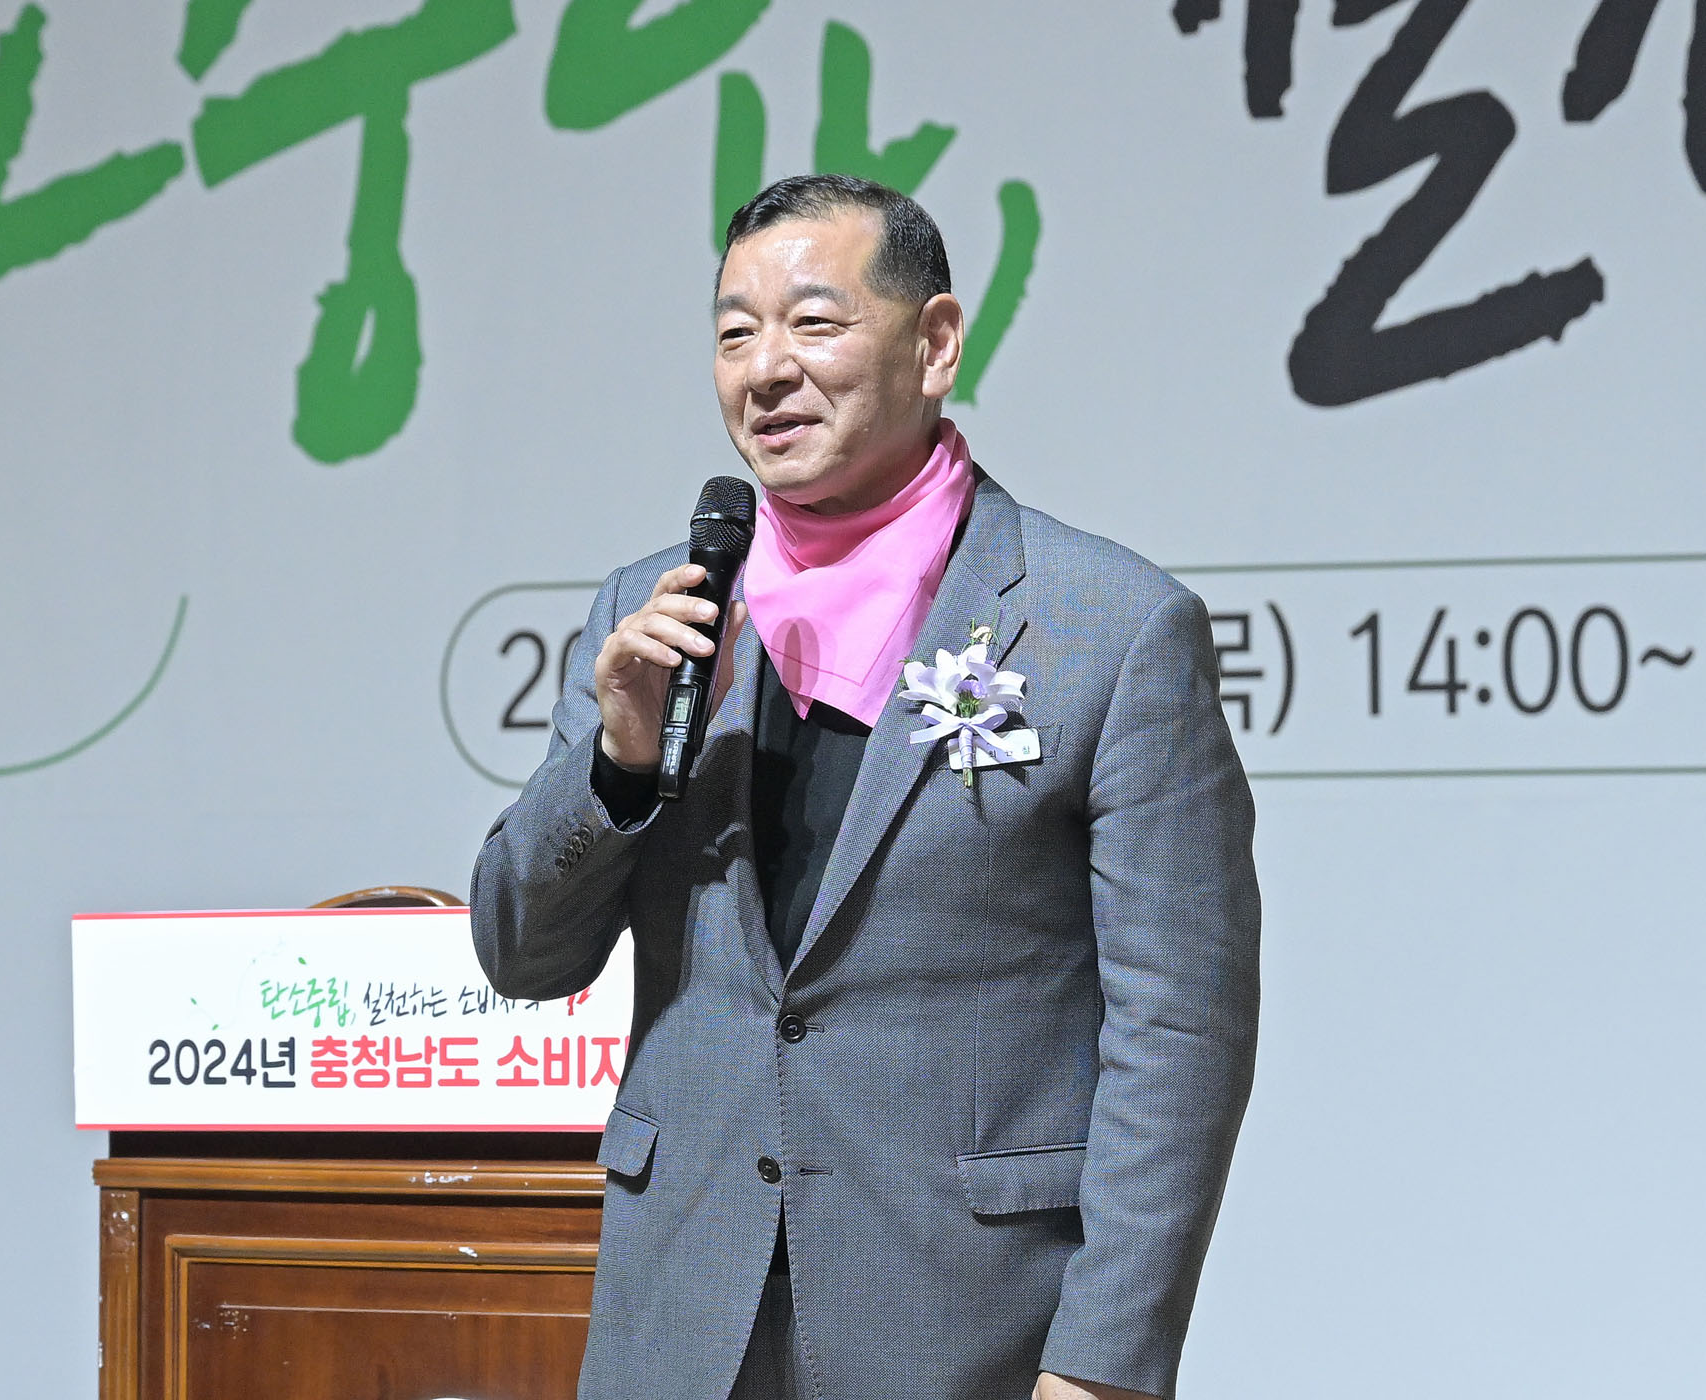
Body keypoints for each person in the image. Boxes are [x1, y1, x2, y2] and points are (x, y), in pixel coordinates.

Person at [470, 174, 1258, 1400]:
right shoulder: (660, 613)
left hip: (967, 1325)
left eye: (813, 323)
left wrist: (1104, 1363)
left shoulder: (1108, 625)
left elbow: (1180, 1031)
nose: (766, 370)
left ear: (935, 343)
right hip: (682, 1321)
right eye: (735, 333)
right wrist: (615, 765)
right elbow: (522, 952)